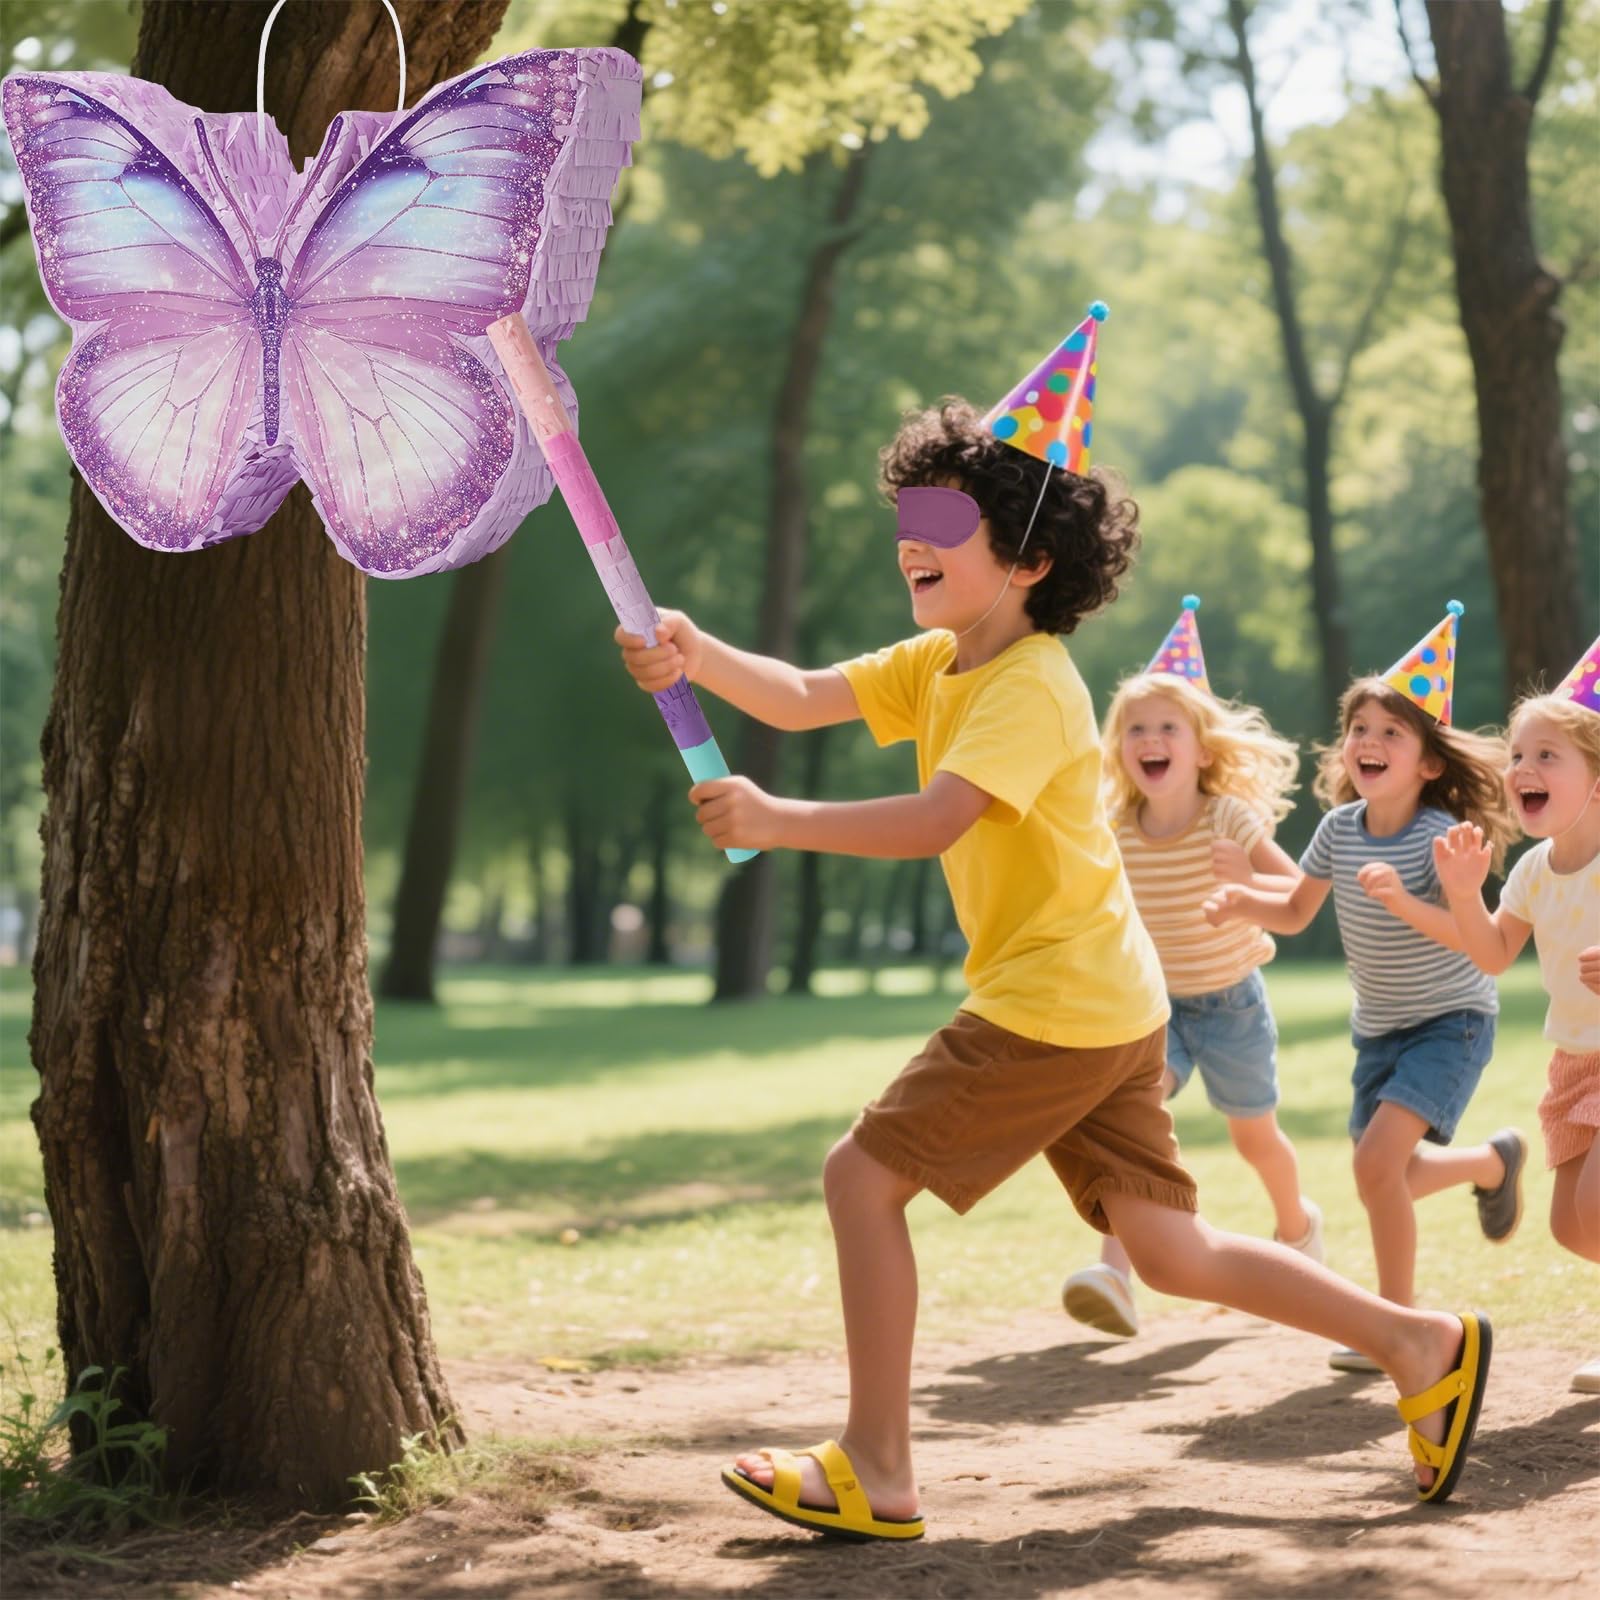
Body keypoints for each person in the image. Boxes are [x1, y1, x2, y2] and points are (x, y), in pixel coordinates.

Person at [618, 320, 1492, 1537]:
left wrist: (778, 818)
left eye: (942, 524)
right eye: (908, 519)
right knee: (1171, 1251)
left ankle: (877, 1466)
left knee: (858, 1179)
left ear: (1028, 561)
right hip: (1107, 1001)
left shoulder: (1031, 685)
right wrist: (696, 651)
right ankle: (1417, 1340)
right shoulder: (939, 662)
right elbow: (809, 695)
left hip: (1050, 1002)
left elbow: (939, 818)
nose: (912, 541)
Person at [1206, 606, 1522, 1373]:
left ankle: (1395, 1326)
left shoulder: (1440, 838)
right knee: (1388, 1175)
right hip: (1379, 1028)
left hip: (1451, 1022)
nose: (1368, 742)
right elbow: (1296, 910)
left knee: (1377, 1169)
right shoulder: (1339, 829)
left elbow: (1474, 940)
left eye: (1391, 732)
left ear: (1430, 764)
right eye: (1358, 729)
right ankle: (1490, 1164)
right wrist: (1244, 898)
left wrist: (1406, 900)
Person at [1062, 599, 1323, 1342]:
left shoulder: (1228, 820)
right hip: (1152, 1008)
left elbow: (1300, 896)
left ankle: (1298, 1227)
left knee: (1254, 1139)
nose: (1150, 740)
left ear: (1203, 750)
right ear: (1120, 751)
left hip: (1233, 1004)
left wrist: (1246, 883)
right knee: (1130, 1127)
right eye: (1136, 730)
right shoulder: (1114, 829)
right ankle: (1115, 1273)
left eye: (1167, 728)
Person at [1431, 646, 1600, 1394]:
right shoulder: (1533, 870)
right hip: (1574, 1063)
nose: (1523, 767)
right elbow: (1494, 954)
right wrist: (1464, 894)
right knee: (1572, 1227)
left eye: (1547, 755)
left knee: (1595, 1207)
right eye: (1519, 755)